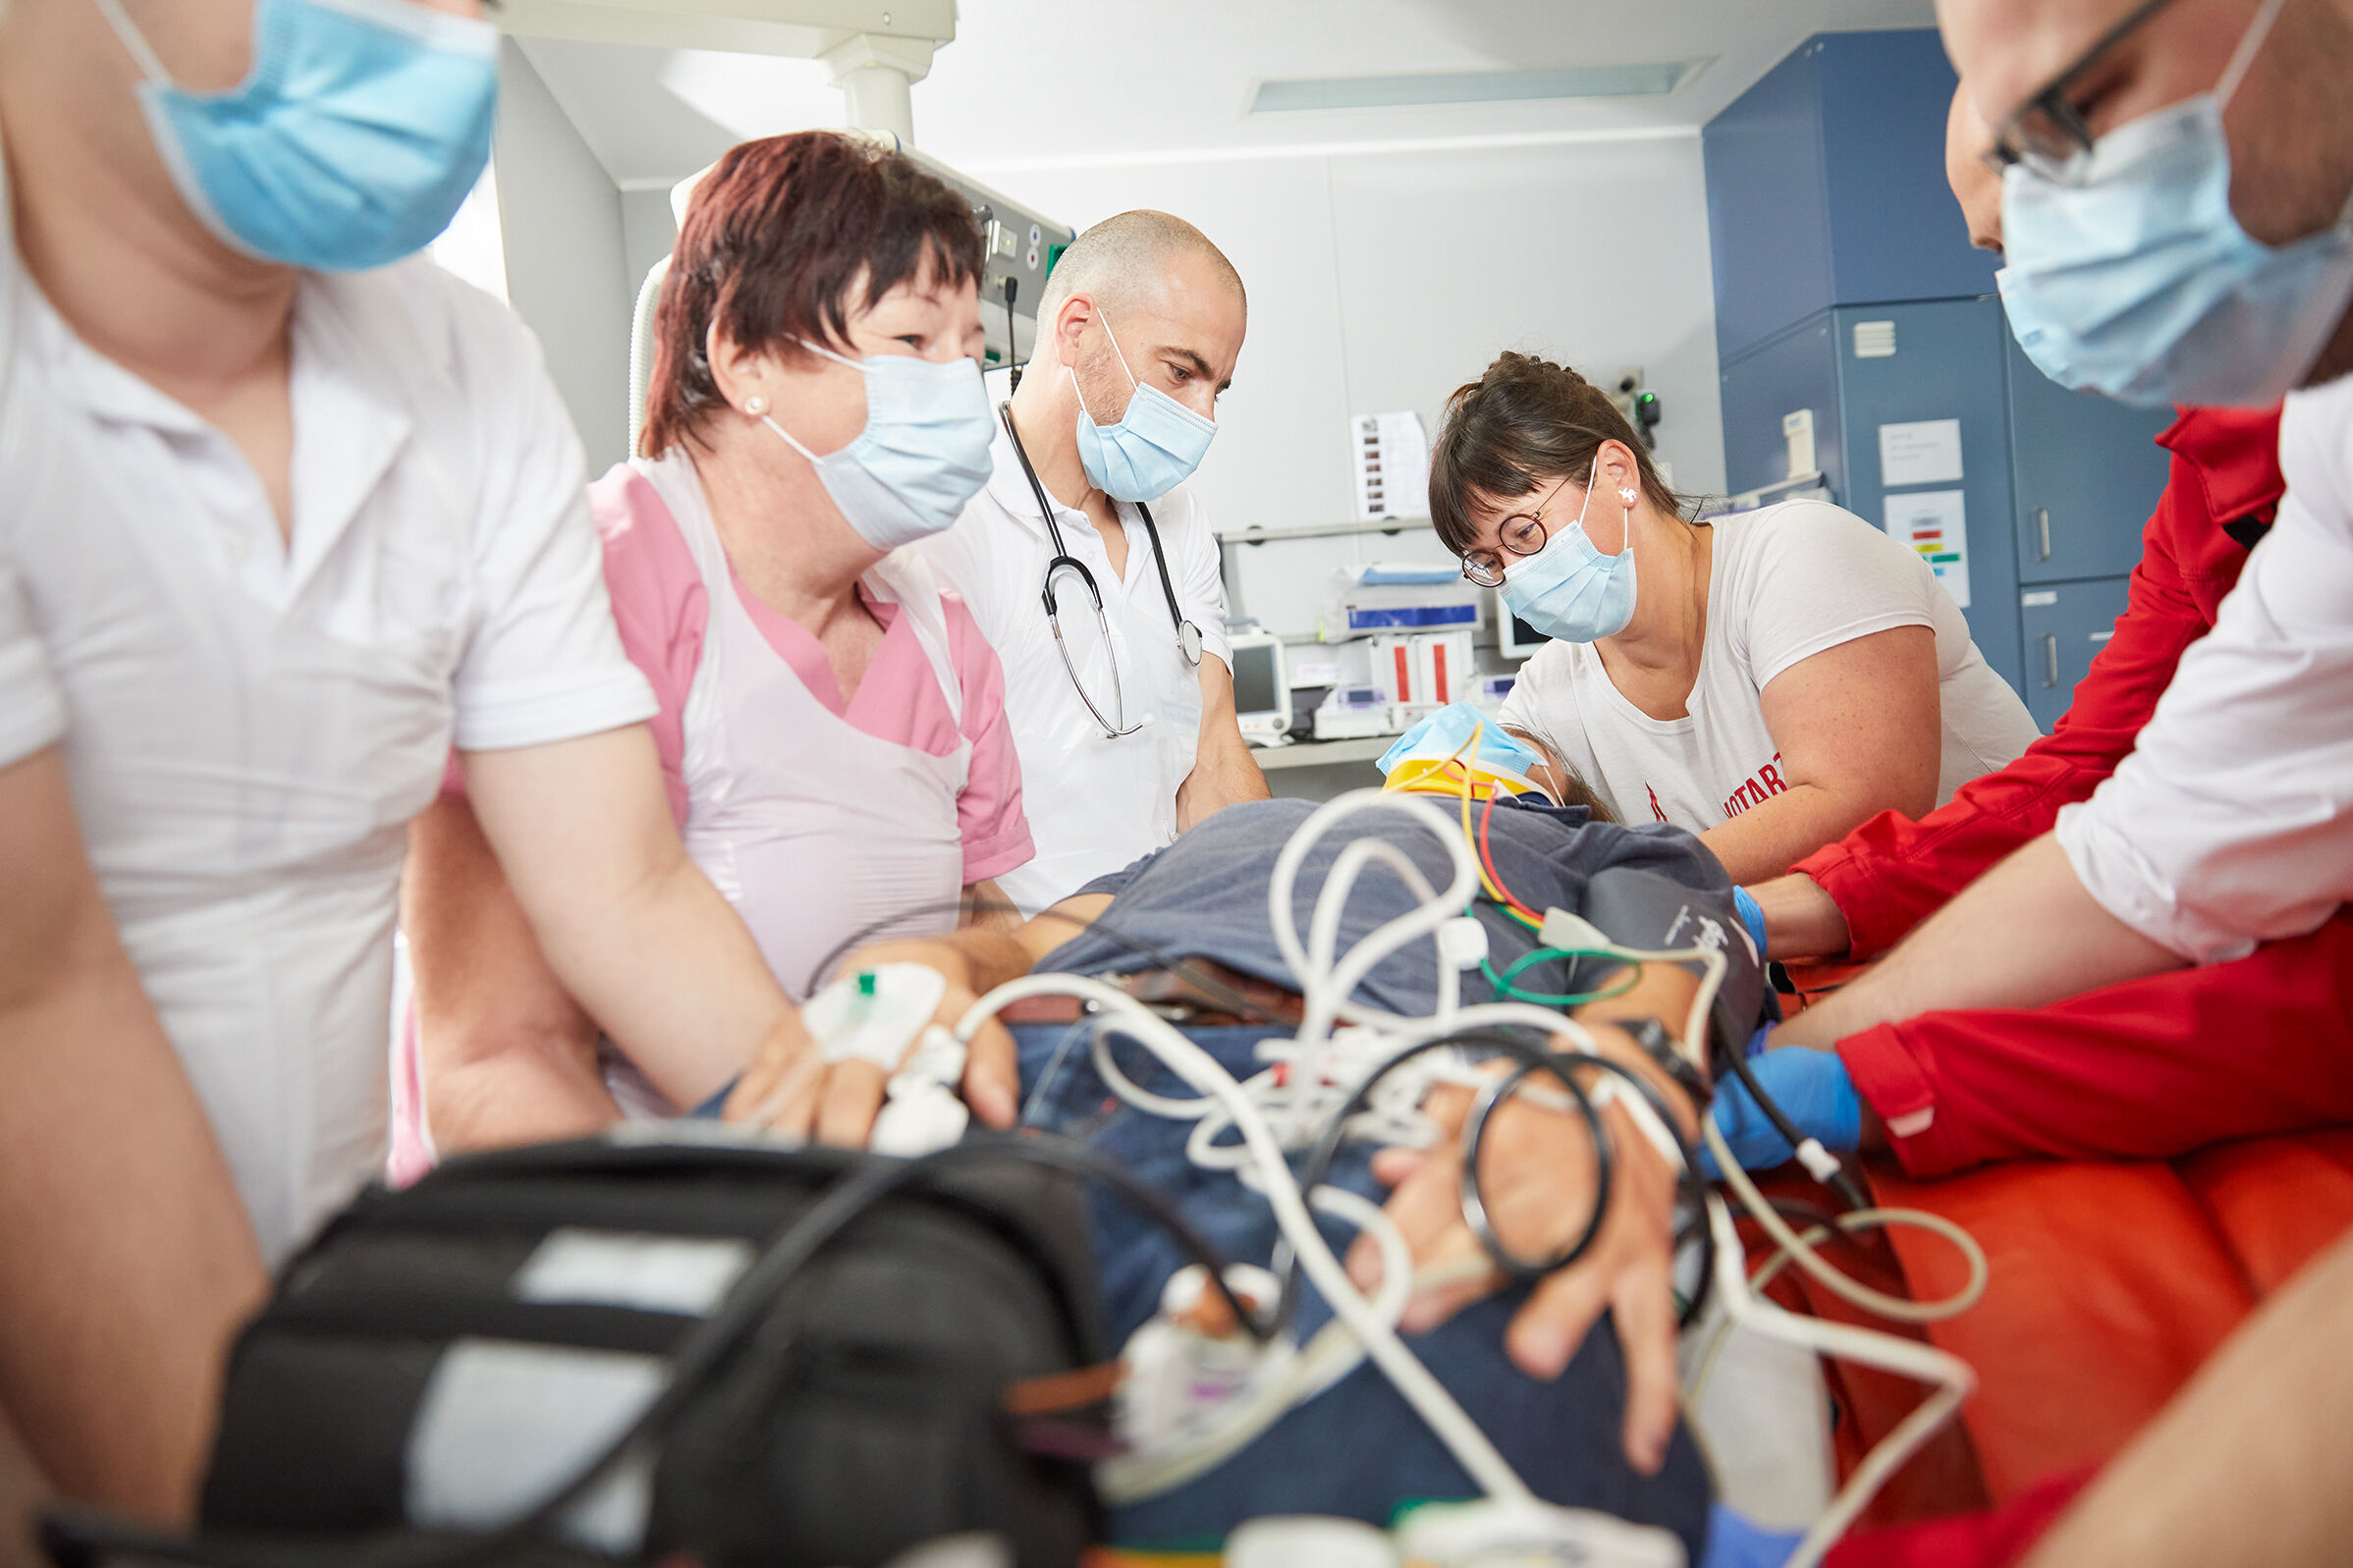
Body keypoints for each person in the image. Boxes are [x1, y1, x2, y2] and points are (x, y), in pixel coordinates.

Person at [0, 0, 822, 1524]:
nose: (439, 37)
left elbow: (624, 889)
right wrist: (243, 1513)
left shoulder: (462, 368)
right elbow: (30, 1001)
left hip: (311, 1306)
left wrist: (836, 1126)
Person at [786, 726, 1765, 1555]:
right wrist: (928, 961)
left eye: (1516, 745)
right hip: (1031, 1058)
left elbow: (1663, 964)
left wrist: (1609, 1091)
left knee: (1475, 1442)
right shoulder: (1218, 834)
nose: (1462, 740)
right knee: (755, 1396)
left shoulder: (1568, 847)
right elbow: (1028, 943)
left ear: (1551, 789)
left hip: (1346, 1100)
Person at [1734, 0, 2353, 1184]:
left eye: (2078, 106)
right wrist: (1802, 1038)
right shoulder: (2307, 444)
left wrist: (1881, 1077)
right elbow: (2149, 835)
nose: (2065, 251)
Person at [399, 132, 1036, 1161]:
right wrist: (744, 1236)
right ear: (743, 358)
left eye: (973, 353)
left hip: (893, 1174)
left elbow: (1000, 943)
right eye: (915, 343)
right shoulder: (603, 580)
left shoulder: (944, 638)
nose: (961, 391)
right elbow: (496, 1064)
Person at [1429, 354, 2040, 887]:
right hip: (1834, 962)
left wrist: (1624, 875)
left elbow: (1864, 811)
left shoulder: (1799, 557)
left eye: (1523, 532)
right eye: (1488, 561)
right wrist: (1455, 793)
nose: (1515, 573)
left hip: (2030, 918)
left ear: (1616, 474)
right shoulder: (1552, 691)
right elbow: (1517, 792)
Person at [914, 210, 1268, 917]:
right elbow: (929, 819)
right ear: (1076, 331)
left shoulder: (1177, 517)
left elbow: (1214, 747)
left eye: (1217, 389)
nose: (1204, 417)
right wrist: (1030, 969)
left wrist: (1262, 918)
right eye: (1181, 373)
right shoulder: (944, 507)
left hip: (1167, 941)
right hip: (1028, 958)